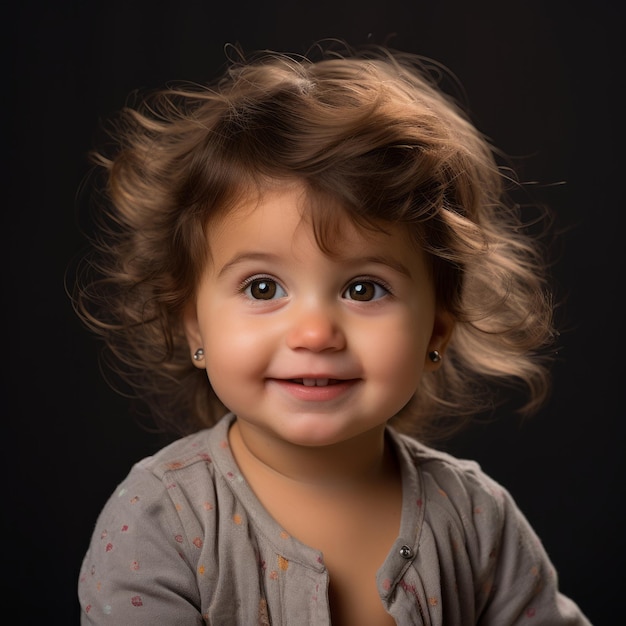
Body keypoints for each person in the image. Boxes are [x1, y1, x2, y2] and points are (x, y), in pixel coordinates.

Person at [73, 40, 592, 625]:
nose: (316, 333)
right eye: (263, 288)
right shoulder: (163, 518)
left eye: (364, 289)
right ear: (195, 323)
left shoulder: (476, 518)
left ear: (436, 330)